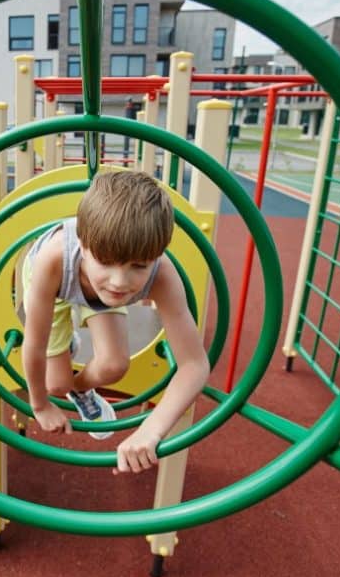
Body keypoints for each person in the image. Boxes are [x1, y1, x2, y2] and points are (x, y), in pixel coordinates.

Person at [20, 170, 210, 475]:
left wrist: (152, 429)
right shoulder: (52, 260)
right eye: (106, 262)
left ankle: (80, 390)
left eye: (138, 266)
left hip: (95, 290)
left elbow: (194, 364)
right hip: (59, 287)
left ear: (157, 255)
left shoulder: (160, 273)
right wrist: (39, 405)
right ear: (82, 247)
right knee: (54, 384)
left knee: (114, 366)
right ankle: (67, 353)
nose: (121, 281)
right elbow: (34, 343)